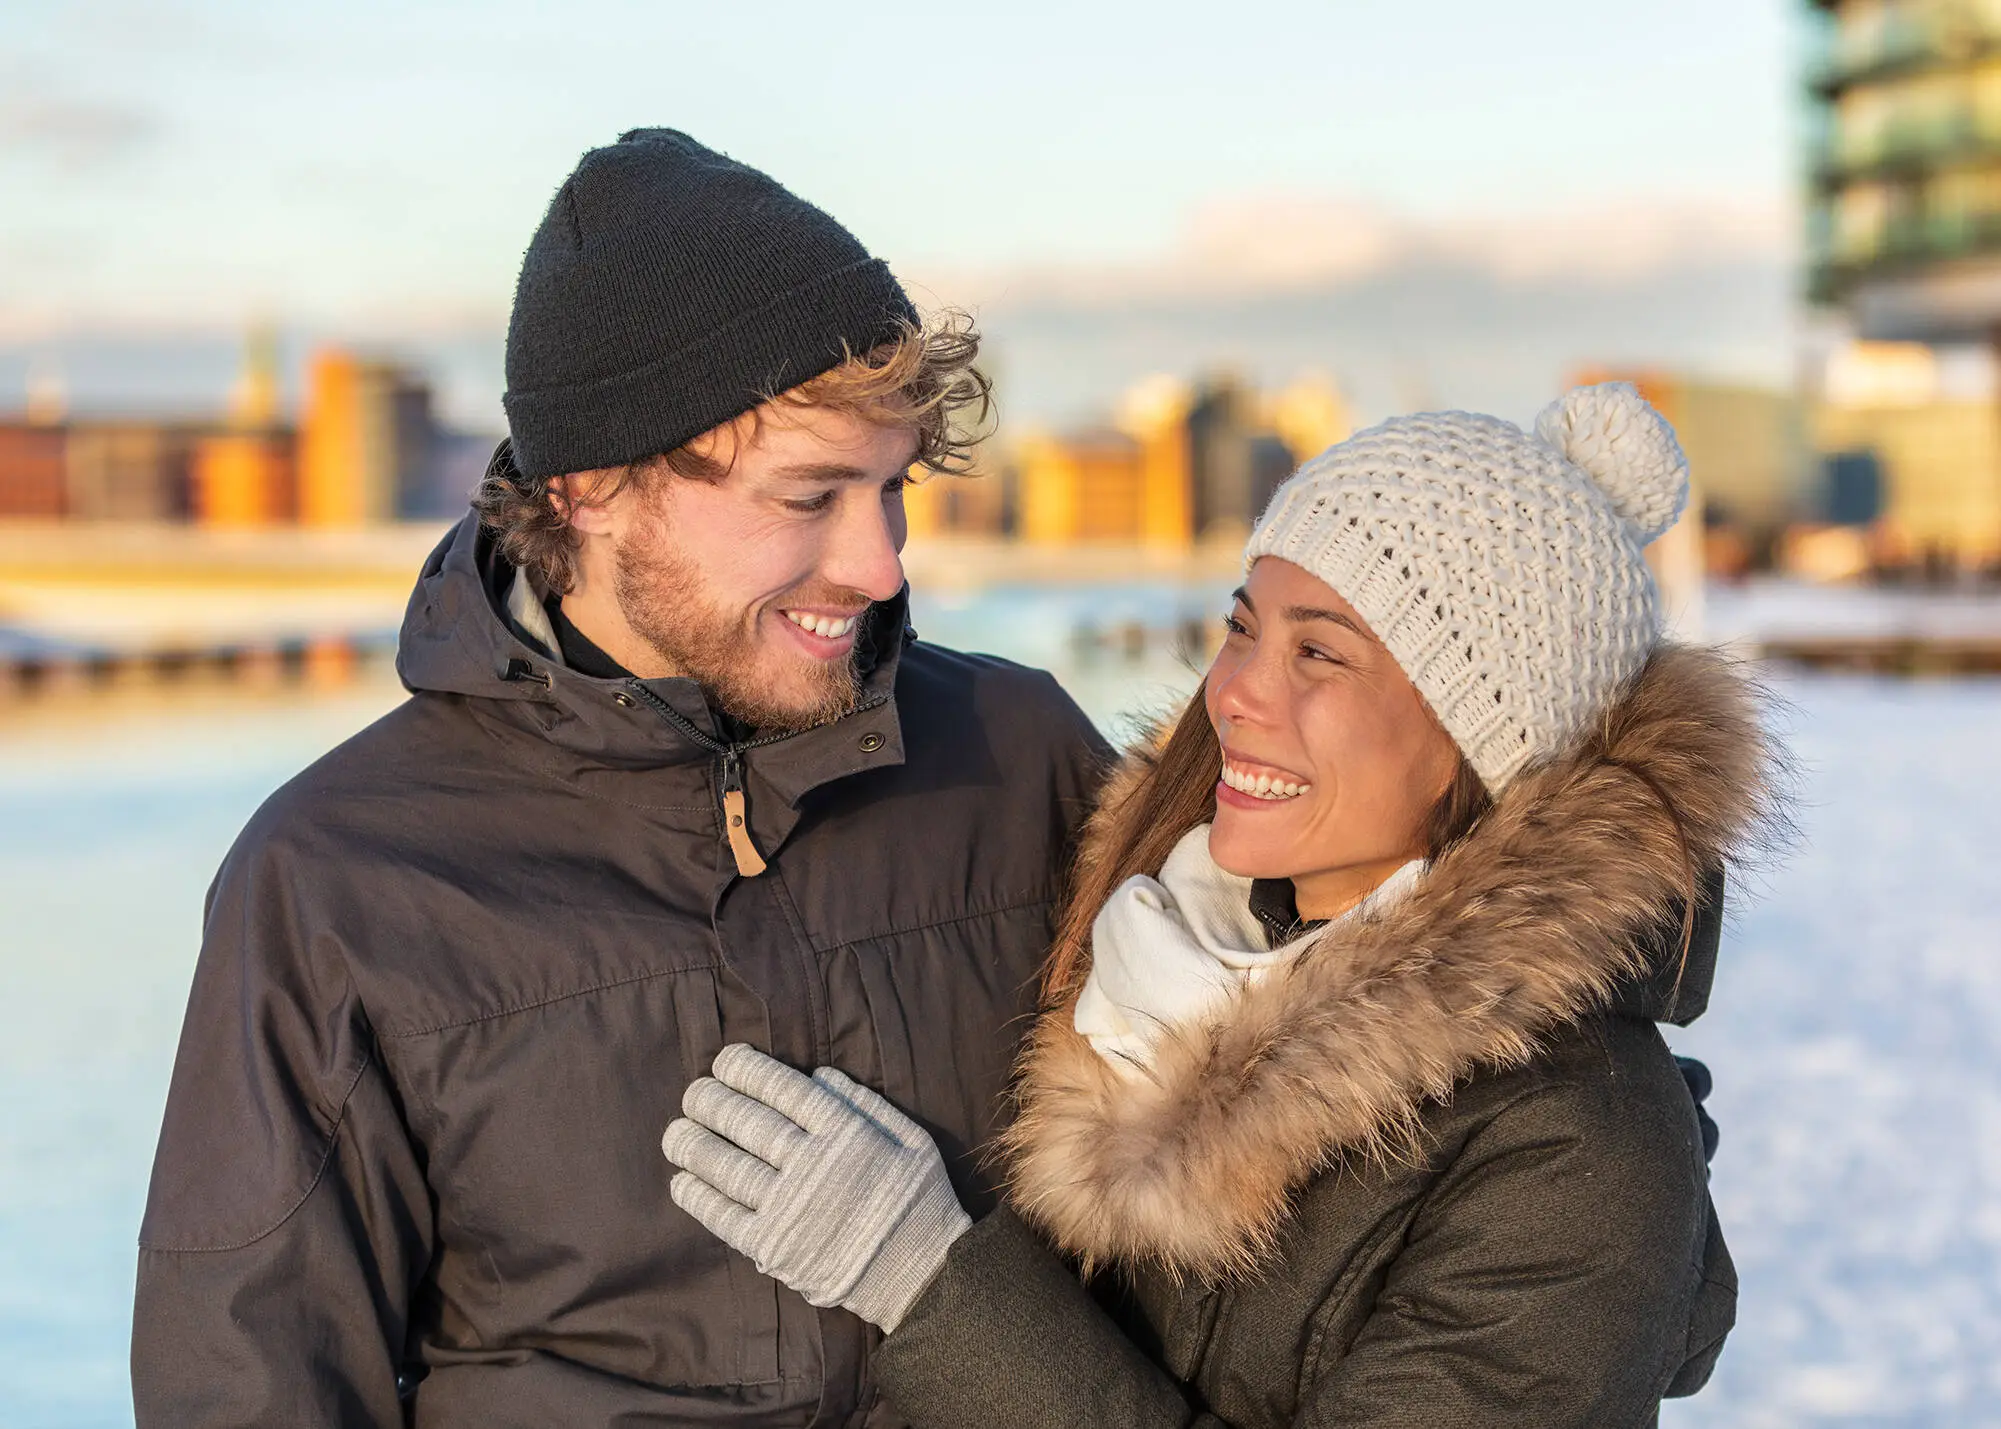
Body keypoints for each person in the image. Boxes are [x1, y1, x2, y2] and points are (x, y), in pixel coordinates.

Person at [130, 129, 1108, 1426]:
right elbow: (250, 1385)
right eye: (809, 496)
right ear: (593, 485)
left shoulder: (1017, 752)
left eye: (892, 488)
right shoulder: (336, 882)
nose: (879, 566)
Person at [663, 384, 1780, 1427]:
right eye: (1244, 627)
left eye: (1319, 655)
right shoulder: (1143, 945)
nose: (1236, 692)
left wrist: (929, 1285)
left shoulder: (1579, 1146)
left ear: (1479, 745)